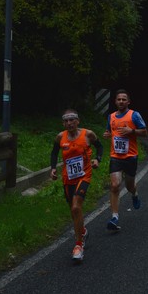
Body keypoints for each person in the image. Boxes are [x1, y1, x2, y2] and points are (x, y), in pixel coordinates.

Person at [50, 109, 103, 262]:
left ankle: (78, 246)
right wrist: (53, 168)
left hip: (84, 176)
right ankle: (83, 231)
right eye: (66, 121)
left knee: (76, 207)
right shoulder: (60, 137)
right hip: (68, 179)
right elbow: (54, 153)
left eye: (72, 120)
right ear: (63, 123)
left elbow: (100, 146)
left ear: (78, 121)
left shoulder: (88, 134)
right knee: (74, 212)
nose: (69, 123)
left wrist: (97, 160)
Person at [103, 89, 147, 231]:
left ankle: (134, 194)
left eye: (124, 99)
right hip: (115, 156)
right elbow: (110, 131)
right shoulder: (111, 117)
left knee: (129, 186)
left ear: (128, 102)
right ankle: (115, 217)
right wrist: (107, 134)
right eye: (118, 99)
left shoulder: (134, 115)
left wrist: (132, 131)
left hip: (130, 156)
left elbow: (145, 132)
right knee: (115, 185)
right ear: (115, 101)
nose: (121, 101)